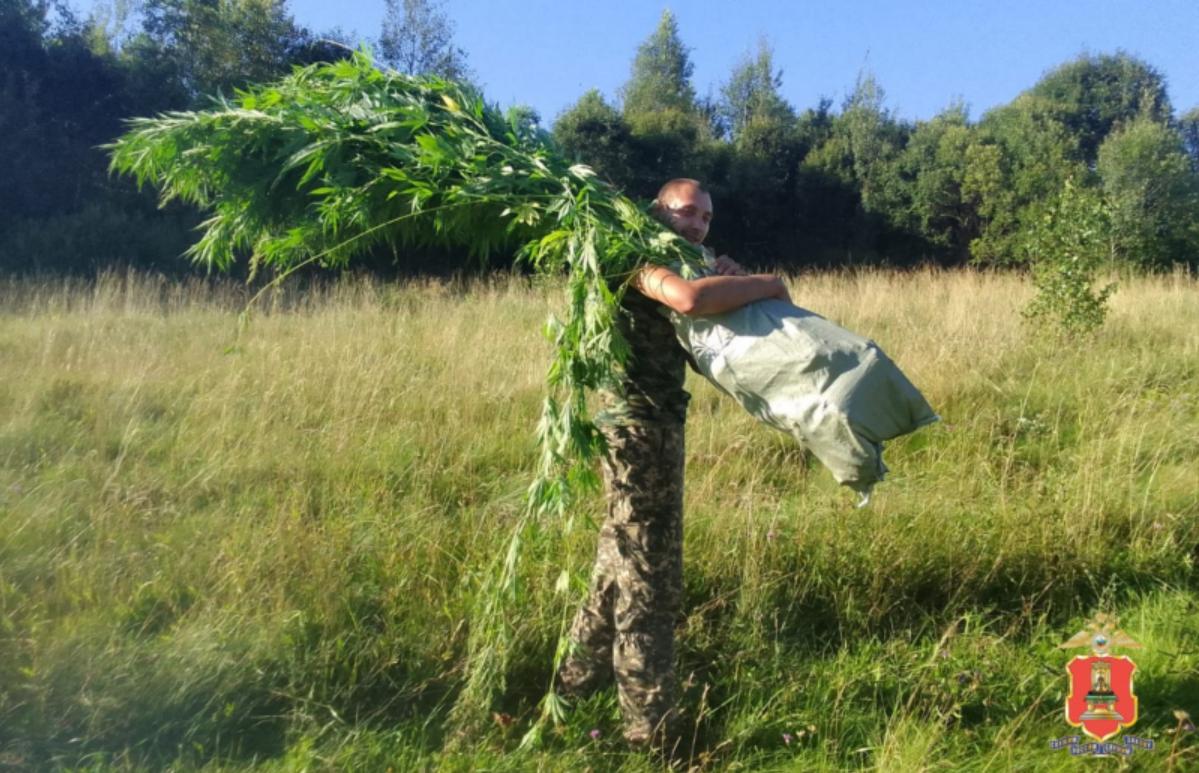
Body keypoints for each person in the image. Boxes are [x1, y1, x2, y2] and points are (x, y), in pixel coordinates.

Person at [555, 178, 791, 754]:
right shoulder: (635, 258)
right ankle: (652, 735)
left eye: (706, 219)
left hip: (655, 429)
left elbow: (703, 344)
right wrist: (769, 283)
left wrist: (731, 283)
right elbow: (688, 300)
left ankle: (567, 695)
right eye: (687, 212)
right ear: (658, 209)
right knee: (650, 584)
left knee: (617, 570)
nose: (697, 225)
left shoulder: (671, 265)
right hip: (637, 434)